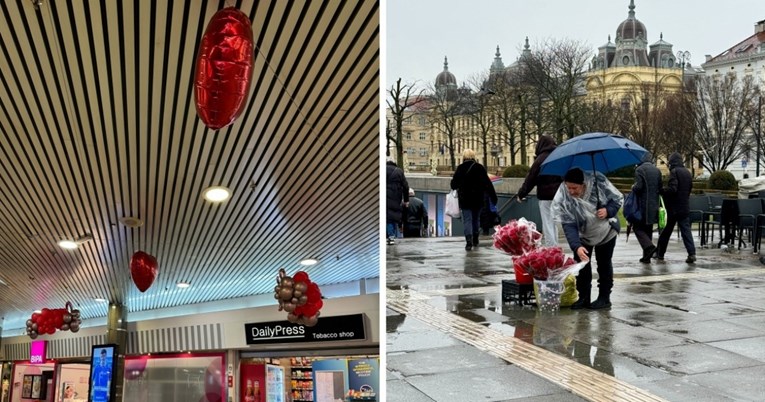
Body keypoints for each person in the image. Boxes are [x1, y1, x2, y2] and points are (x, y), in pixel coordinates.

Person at [552, 168, 623, 309]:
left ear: (583, 185)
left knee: (604, 264)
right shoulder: (566, 199)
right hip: (583, 235)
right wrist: (576, 246)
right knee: (582, 265)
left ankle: (604, 298)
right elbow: (568, 224)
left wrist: (608, 210)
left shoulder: (599, 185)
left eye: (575, 188)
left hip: (606, 232)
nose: (571, 191)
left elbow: (616, 200)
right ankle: (584, 297)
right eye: (568, 187)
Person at [517, 134, 563, 247]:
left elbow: (531, 178)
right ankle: (555, 246)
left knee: (547, 223)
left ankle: (551, 248)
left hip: (545, 196)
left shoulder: (540, 159)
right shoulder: (558, 156)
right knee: (554, 222)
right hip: (558, 195)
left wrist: (521, 193)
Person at [450, 149, 497, 251]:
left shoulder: (460, 168)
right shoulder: (480, 168)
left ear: (464, 157)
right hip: (478, 199)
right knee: (476, 219)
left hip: (465, 199)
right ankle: (475, 238)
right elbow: (488, 184)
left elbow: (453, 184)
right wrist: (494, 197)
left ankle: (468, 242)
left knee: (467, 220)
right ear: (473, 156)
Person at [656, 152, 696, 263]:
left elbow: (673, 189)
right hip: (684, 206)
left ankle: (660, 253)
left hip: (673, 208)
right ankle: (691, 253)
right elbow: (689, 189)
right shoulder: (687, 173)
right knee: (686, 231)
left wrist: (662, 190)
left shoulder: (674, 172)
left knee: (666, 232)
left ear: (672, 162)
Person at [631, 152, 663, 263]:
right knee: (648, 229)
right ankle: (646, 257)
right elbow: (660, 188)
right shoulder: (657, 171)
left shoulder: (639, 170)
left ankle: (649, 247)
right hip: (653, 206)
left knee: (637, 227)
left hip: (643, 205)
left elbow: (639, 187)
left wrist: (633, 187)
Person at [386, 157, 409, 245]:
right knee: (391, 217)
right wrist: (406, 200)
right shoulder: (399, 171)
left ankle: (389, 235)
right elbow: (406, 187)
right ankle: (391, 236)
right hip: (395, 197)